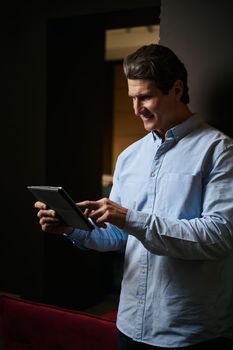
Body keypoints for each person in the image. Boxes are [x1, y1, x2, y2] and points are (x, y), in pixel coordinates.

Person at [35, 44, 233, 349]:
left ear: (177, 90)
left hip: (189, 331)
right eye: (132, 98)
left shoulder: (219, 151)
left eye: (146, 97)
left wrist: (130, 218)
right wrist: (70, 226)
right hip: (129, 325)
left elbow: (220, 235)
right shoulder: (129, 157)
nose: (136, 109)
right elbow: (117, 237)